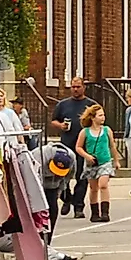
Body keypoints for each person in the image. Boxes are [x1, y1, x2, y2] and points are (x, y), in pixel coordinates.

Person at [50, 77, 91, 217]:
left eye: (78, 86)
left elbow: (99, 121)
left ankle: (78, 207)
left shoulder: (90, 105)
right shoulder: (63, 105)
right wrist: (60, 125)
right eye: (73, 87)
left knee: (81, 176)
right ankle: (67, 199)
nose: (75, 89)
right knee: (62, 175)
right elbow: (53, 120)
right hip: (66, 145)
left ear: (83, 87)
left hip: (84, 146)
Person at [80, 103, 115, 223]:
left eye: (103, 115)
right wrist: (87, 156)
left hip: (105, 162)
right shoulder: (85, 132)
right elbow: (78, 147)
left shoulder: (107, 130)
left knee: (103, 184)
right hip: (91, 164)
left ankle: (105, 212)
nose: (103, 117)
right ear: (93, 117)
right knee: (93, 188)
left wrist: (115, 160)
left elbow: (112, 146)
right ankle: (95, 213)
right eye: (100, 115)